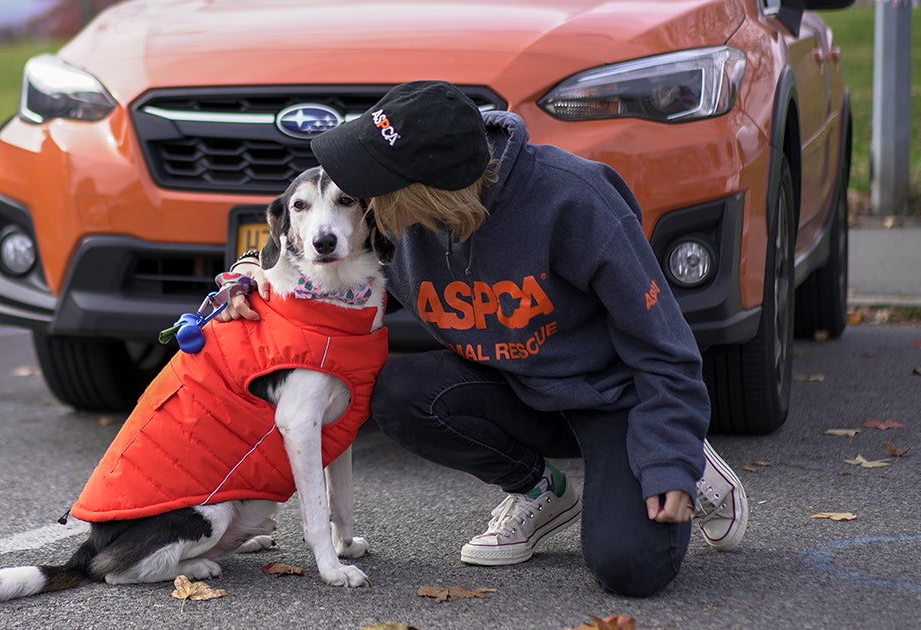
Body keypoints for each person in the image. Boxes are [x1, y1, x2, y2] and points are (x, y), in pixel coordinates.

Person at [223, 80, 748, 597]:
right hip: (511, 389)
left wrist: (669, 457)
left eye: (372, 183)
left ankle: (685, 454)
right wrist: (248, 271)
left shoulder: (575, 197)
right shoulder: (397, 218)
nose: (359, 200)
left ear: (427, 190)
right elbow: (320, 277)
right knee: (400, 393)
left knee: (628, 567)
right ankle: (540, 491)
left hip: (611, 401)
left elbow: (665, 347)